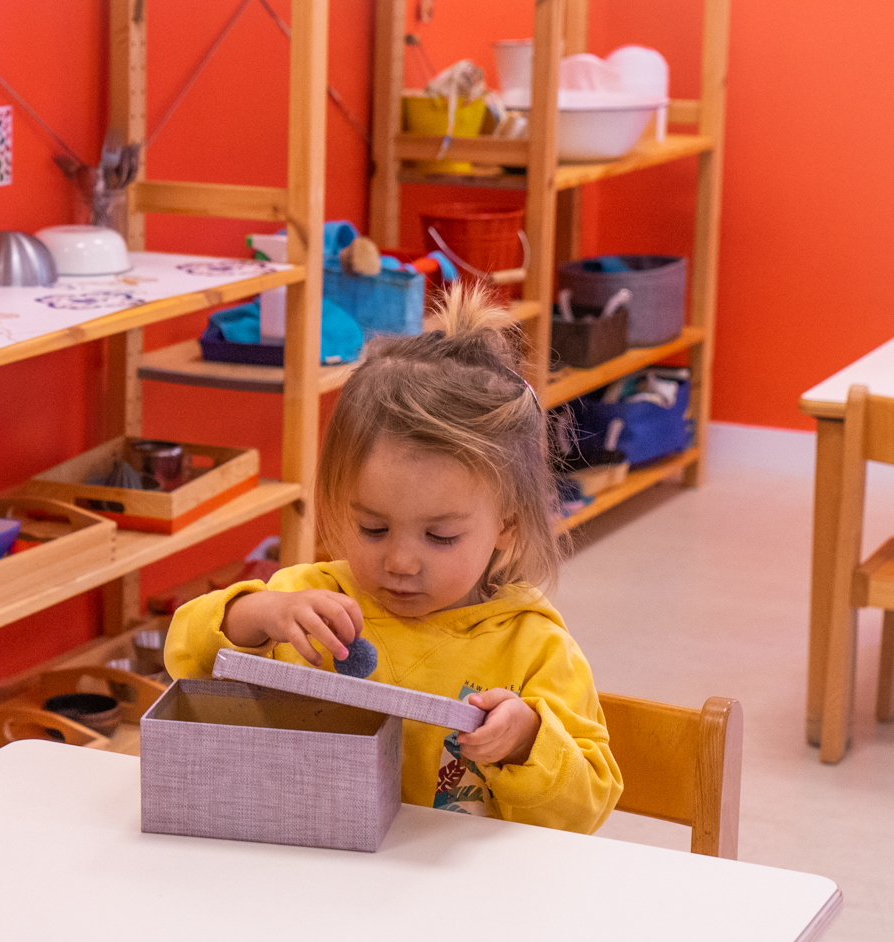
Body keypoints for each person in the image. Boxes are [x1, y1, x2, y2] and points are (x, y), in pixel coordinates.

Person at [165, 284, 623, 833]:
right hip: (308, 872)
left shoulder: (533, 647)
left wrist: (526, 740)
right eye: (373, 528)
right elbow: (186, 659)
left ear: (508, 525)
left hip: (453, 897)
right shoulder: (308, 598)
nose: (401, 561)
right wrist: (256, 617)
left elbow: (587, 809)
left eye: (441, 536)